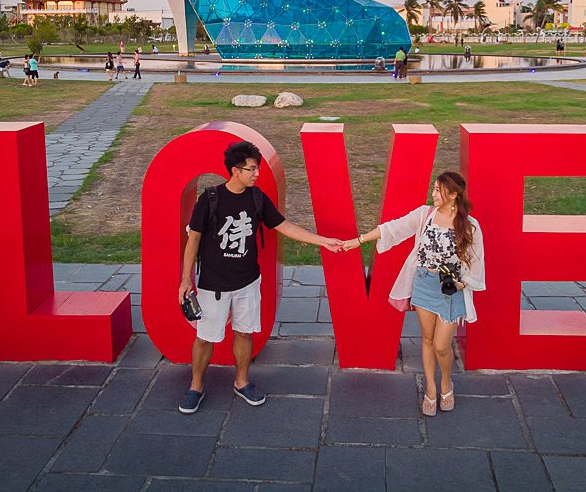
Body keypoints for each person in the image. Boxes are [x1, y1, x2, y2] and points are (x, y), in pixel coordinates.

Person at [177, 141, 342, 414]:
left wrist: (322, 241)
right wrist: (186, 280)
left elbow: (284, 225)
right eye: (251, 169)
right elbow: (193, 239)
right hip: (212, 284)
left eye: (257, 168)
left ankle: (242, 382)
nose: (256, 174)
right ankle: (195, 386)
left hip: (248, 282)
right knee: (205, 337)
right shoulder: (210, 199)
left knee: (244, 332)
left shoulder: (257, 198)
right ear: (234, 170)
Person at [342, 171, 484, 416]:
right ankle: (431, 388)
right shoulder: (424, 215)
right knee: (427, 340)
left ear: (454, 195)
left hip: (451, 289)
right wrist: (360, 240)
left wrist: (460, 284)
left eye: (439, 190)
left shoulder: (470, 226)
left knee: (442, 345)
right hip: (423, 283)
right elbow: (393, 228)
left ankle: (446, 383)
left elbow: (475, 262)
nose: (434, 194)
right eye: (434, 189)